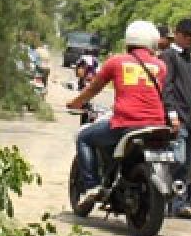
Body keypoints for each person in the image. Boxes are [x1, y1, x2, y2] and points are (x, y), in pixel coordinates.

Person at [66, 20, 169, 212]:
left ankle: (91, 186)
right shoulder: (161, 66)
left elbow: (94, 88)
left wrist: (76, 103)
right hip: (156, 123)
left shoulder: (116, 61)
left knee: (84, 138)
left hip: (126, 122)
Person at [160, 18, 191, 219]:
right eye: (185, 36)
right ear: (177, 34)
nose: (188, 40)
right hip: (178, 117)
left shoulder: (190, 59)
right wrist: (171, 114)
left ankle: (179, 204)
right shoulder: (169, 56)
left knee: (187, 165)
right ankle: (165, 201)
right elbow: (167, 87)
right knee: (176, 160)